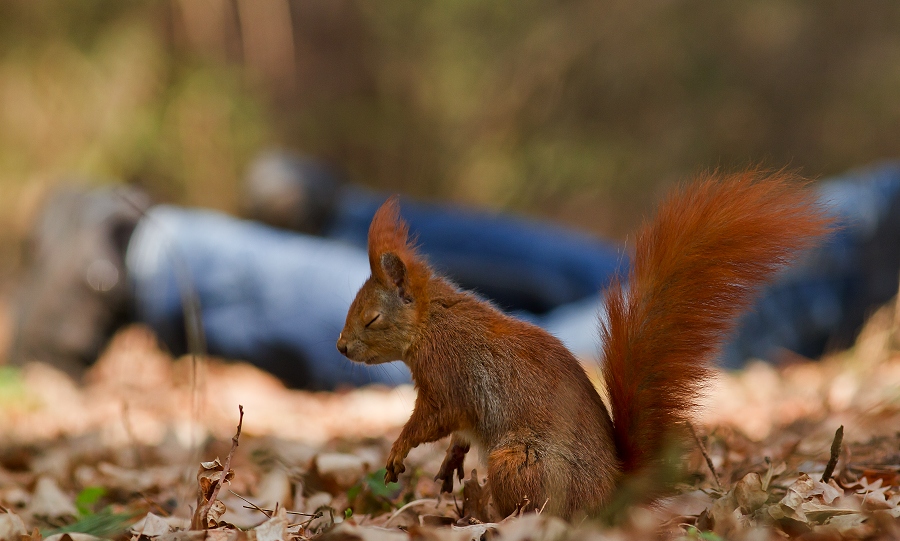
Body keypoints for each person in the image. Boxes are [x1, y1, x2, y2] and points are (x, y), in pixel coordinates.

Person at [9, 153, 900, 390]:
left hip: (847, 221)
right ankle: (150, 260)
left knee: (613, 279)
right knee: (538, 362)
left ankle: (330, 212)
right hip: (845, 254)